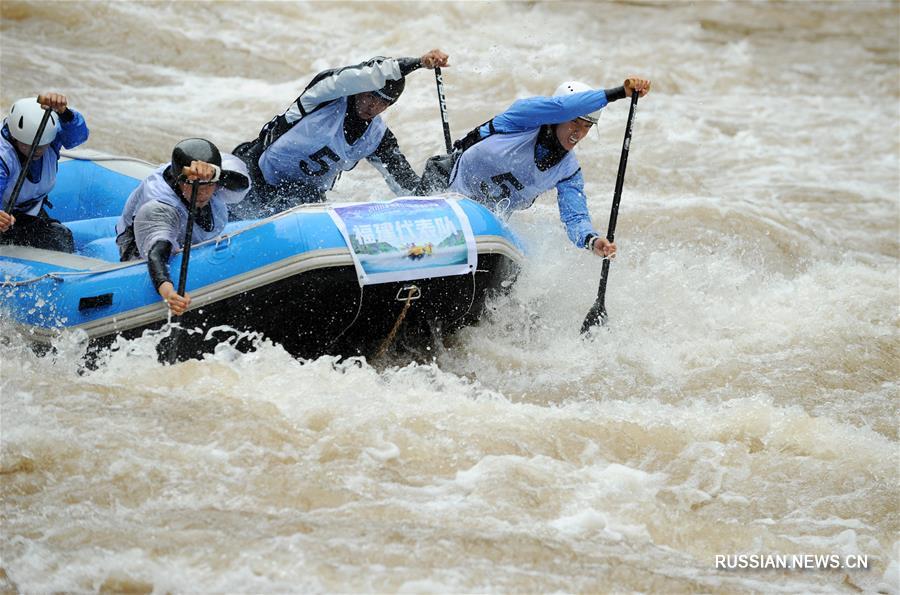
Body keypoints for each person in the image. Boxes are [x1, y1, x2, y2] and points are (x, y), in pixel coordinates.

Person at [436, 77, 651, 259]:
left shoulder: (568, 171)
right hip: (442, 186)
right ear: (556, 118)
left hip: (482, 226)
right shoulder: (522, 119)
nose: (579, 133)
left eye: (587, 126)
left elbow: (575, 218)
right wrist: (619, 93)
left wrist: (592, 240)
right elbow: (563, 107)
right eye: (575, 122)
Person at [231, 49, 450, 218]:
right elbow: (356, 75)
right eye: (370, 96)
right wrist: (418, 63)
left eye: (382, 102)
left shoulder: (378, 137)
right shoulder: (322, 97)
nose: (372, 107)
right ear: (360, 88)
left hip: (300, 195)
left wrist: (439, 202)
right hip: (254, 173)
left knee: (305, 200)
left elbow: (404, 183)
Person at [115, 138, 251, 315]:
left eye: (209, 185)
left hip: (191, 228)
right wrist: (168, 292)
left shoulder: (214, 171)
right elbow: (156, 253)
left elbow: (241, 184)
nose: (203, 192)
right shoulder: (159, 206)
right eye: (194, 185)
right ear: (179, 180)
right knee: (159, 247)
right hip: (140, 244)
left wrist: (215, 173)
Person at [0, 93, 89, 252]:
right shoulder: (3, 157)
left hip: (29, 212)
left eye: (43, 146)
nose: (37, 151)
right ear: (14, 137)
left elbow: (78, 137)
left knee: (61, 238)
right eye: (27, 145)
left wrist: (65, 113)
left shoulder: (51, 138)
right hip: (5, 218)